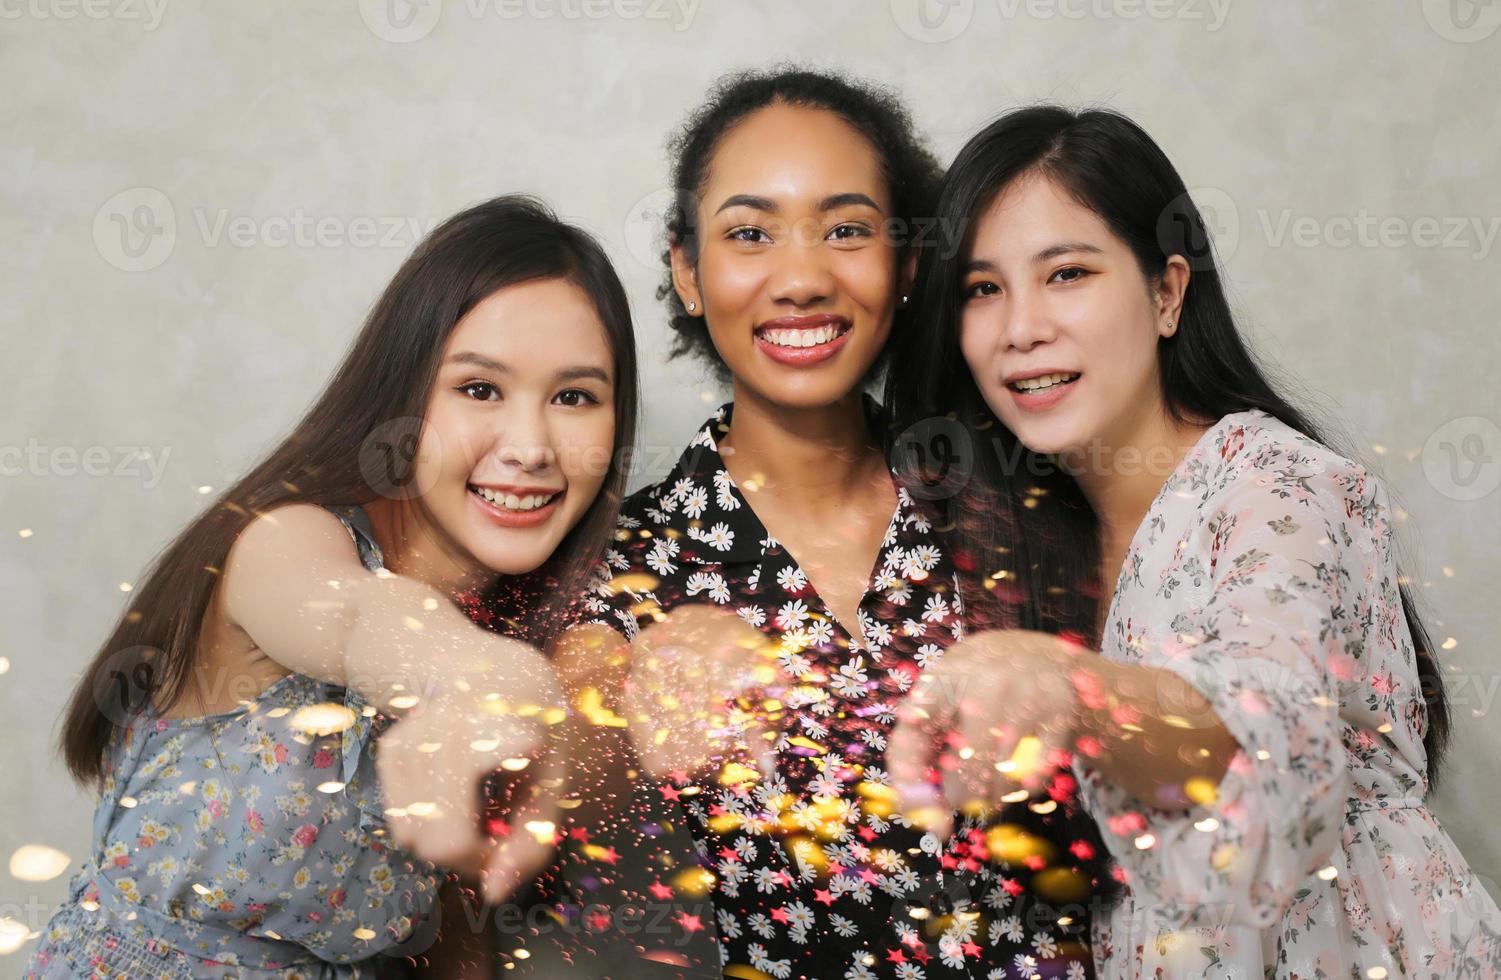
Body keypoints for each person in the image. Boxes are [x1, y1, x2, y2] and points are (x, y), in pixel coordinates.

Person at [884, 104, 1501, 977]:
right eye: (982, 290)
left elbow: (1267, 717)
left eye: (1065, 273)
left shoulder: (1277, 487)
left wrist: (1067, 689)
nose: (1020, 327)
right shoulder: (1021, 539)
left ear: (1167, 291)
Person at [576, 69, 1111, 979]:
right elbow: (561, 762)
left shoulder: (1021, 497)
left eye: (846, 230)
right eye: (749, 234)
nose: (801, 278)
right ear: (687, 270)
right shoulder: (629, 564)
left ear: (905, 266)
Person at [28, 195, 639, 978]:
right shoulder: (281, 544)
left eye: (574, 398)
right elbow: (363, 622)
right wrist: (488, 685)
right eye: (479, 389)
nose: (530, 447)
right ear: (401, 393)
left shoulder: (529, 631)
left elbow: (455, 939)